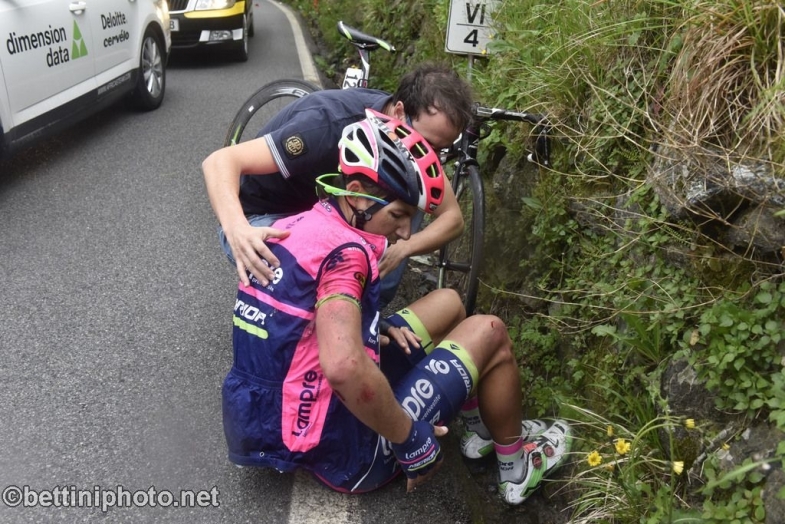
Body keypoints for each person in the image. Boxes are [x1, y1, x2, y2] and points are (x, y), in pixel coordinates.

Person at [220, 110, 572, 503]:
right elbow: (343, 366)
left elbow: (300, 322)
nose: (406, 232)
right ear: (355, 192)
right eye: (400, 215)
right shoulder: (347, 255)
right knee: (490, 330)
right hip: (347, 453)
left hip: (270, 423)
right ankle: (518, 469)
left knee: (450, 303)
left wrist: (373, 323)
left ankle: (481, 434)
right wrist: (409, 438)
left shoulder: (305, 223)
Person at [202, 63, 473, 308]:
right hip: (265, 216)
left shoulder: (408, 137)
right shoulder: (325, 125)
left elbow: (452, 218)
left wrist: (404, 248)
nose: (431, 157)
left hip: (326, 214)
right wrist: (237, 229)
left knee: (408, 200)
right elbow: (219, 162)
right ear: (400, 113)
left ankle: (369, 315)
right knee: (326, 274)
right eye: (427, 144)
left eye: (441, 150)